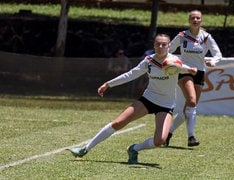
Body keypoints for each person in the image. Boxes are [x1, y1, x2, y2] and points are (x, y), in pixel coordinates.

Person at [68, 34, 197, 164]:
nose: (161, 46)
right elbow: (131, 74)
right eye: (158, 44)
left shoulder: (174, 61)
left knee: (160, 141)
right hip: (148, 99)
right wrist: (108, 84)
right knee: (118, 122)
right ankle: (85, 149)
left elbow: (181, 67)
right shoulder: (149, 61)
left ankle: (134, 149)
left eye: (164, 44)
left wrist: (190, 69)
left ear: (169, 46)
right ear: (154, 46)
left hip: (166, 105)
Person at [164, 10, 222, 147]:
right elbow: (168, 50)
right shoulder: (182, 36)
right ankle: (191, 137)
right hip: (184, 71)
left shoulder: (206, 37)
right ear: (189, 20)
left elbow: (218, 54)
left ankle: (168, 134)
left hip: (200, 72)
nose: (195, 20)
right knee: (192, 101)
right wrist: (171, 62)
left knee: (189, 108)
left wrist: (213, 61)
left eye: (198, 18)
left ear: (201, 20)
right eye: (192, 18)